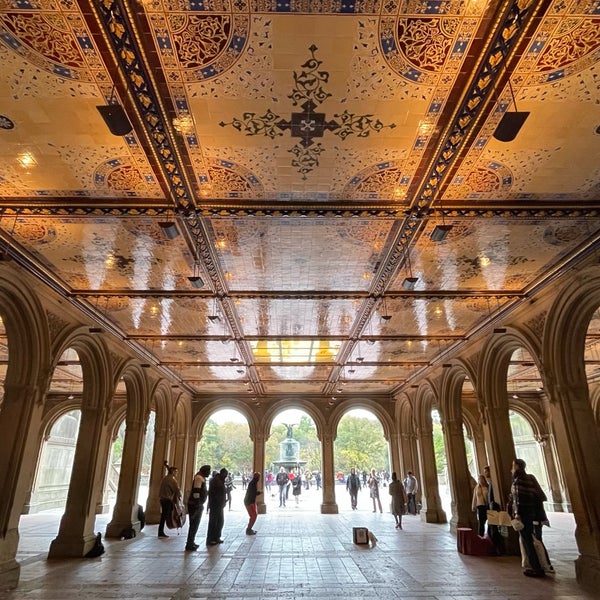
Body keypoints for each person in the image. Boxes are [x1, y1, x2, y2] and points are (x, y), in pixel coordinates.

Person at [508, 458, 548, 578]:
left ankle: (536, 567)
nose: (511, 469)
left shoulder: (518, 481)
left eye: (513, 466)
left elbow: (518, 499)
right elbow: (539, 495)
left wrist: (517, 514)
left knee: (528, 541)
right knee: (534, 539)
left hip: (523, 515)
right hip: (533, 514)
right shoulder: (531, 478)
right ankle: (543, 564)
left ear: (517, 467)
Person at [185, 464, 211, 551]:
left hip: (196, 504)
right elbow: (196, 492)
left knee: (194, 524)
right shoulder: (199, 478)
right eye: (208, 471)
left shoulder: (200, 477)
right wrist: (198, 504)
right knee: (194, 524)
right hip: (195, 505)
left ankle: (191, 542)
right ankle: (189, 543)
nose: (209, 472)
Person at [206, 468, 228, 546]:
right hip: (215, 505)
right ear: (222, 473)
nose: (226, 477)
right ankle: (211, 539)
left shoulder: (219, 480)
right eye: (225, 475)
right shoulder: (216, 481)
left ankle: (216, 537)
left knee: (219, 521)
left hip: (219, 505)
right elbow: (215, 494)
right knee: (214, 522)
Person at [158, 462, 181, 538]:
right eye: (176, 472)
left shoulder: (165, 478)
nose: (177, 473)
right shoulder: (172, 480)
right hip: (167, 499)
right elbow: (177, 491)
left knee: (164, 516)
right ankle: (160, 532)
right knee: (164, 516)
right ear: (173, 472)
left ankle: (161, 531)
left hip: (162, 499)